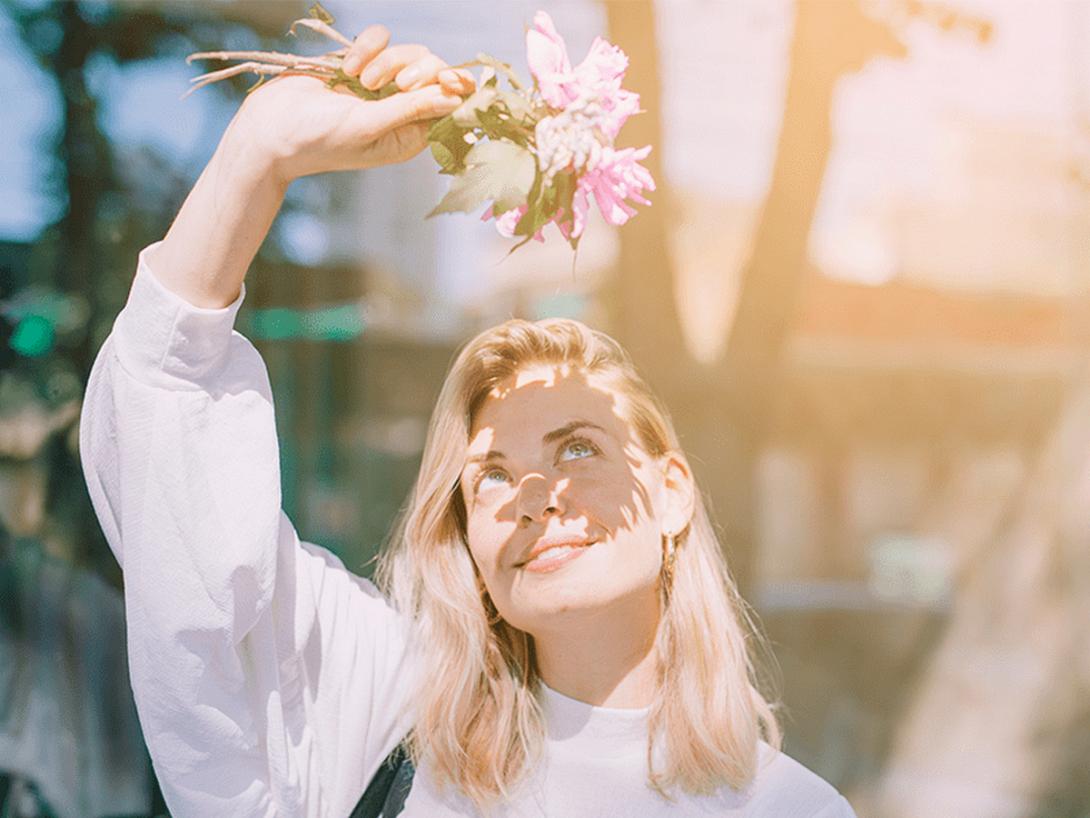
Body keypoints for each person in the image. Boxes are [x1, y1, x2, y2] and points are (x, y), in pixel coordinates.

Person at [78, 23, 858, 818]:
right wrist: (258, 156)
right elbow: (165, 461)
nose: (534, 494)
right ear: (468, 543)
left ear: (671, 492)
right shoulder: (384, 709)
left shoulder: (796, 808)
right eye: (489, 474)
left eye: (578, 447)